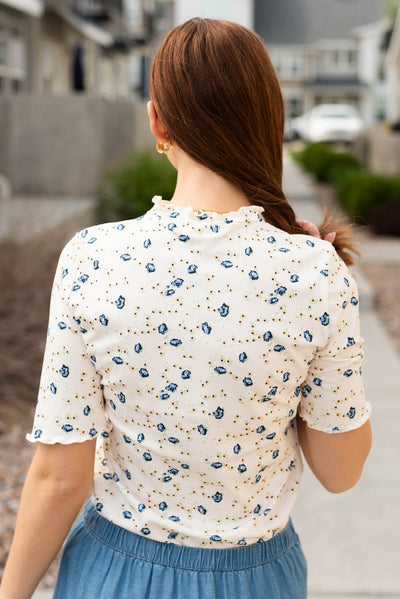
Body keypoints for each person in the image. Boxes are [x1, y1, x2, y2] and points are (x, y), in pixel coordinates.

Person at [0, 18, 372, 599]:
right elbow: (341, 470)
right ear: (267, 121)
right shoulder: (315, 273)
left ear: (157, 121)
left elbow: (57, 480)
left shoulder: (94, 259)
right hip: (260, 578)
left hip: (115, 573)